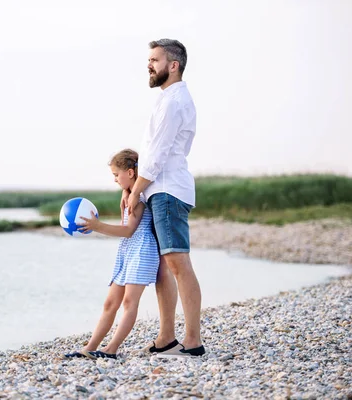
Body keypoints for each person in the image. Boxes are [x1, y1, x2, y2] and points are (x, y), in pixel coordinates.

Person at [125, 38, 205, 357]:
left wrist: (134, 191)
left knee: (177, 262)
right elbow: (151, 155)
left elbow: (156, 157)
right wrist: (137, 188)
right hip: (159, 189)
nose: (149, 65)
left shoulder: (174, 101)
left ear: (173, 65)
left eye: (155, 60)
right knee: (163, 267)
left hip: (169, 190)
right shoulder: (166, 99)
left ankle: (193, 340)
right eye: (149, 60)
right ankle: (167, 337)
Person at [64, 149, 160, 360]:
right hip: (128, 251)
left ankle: (112, 349)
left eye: (117, 175)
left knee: (129, 303)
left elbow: (128, 230)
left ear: (131, 173)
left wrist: (97, 226)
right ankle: (90, 347)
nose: (115, 179)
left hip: (143, 251)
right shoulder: (127, 196)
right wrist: (123, 196)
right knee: (110, 303)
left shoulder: (140, 199)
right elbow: (125, 227)